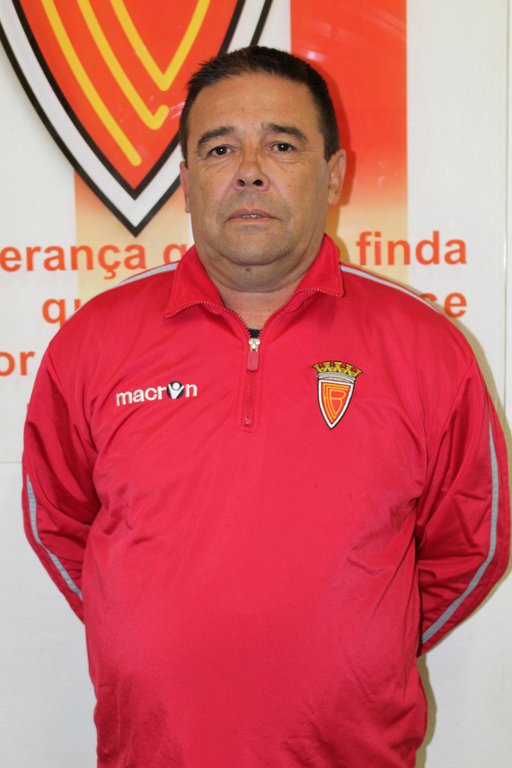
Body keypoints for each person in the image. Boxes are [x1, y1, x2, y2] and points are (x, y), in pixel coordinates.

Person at [23, 46, 510, 768]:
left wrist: (368, 646)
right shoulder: (94, 340)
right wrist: (139, 632)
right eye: (220, 148)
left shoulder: (427, 347)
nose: (250, 170)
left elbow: (473, 543)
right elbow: (58, 521)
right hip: (154, 751)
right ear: (186, 183)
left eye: (282, 145)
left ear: (334, 175)